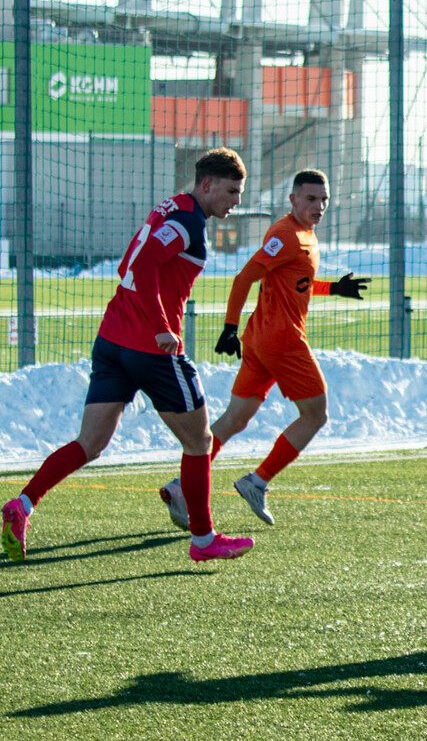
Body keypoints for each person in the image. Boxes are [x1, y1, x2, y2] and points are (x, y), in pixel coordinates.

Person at [1, 148, 254, 563]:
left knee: (91, 442)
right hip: (150, 348)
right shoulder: (188, 219)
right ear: (207, 184)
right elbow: (150, 262)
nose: (236, 202)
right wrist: (160, 324)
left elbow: (127, 266)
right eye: (231, 191)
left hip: (112, 339)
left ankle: (22, 505)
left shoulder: (170, 207)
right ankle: (204, 540)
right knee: (200, 440)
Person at [158, 169, 369, 528]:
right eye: (311, 199)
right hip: (281, 341)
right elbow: (245, 277)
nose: (319, 206)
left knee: (235, 419)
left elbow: (295, 283)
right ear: (293, 200)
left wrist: (333, 289)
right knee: (316, 415)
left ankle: (182, 486)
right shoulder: (286, 234)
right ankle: (257, 481)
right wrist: (228, 326)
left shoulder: (305, 235)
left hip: (260, 340)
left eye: (324, 200)